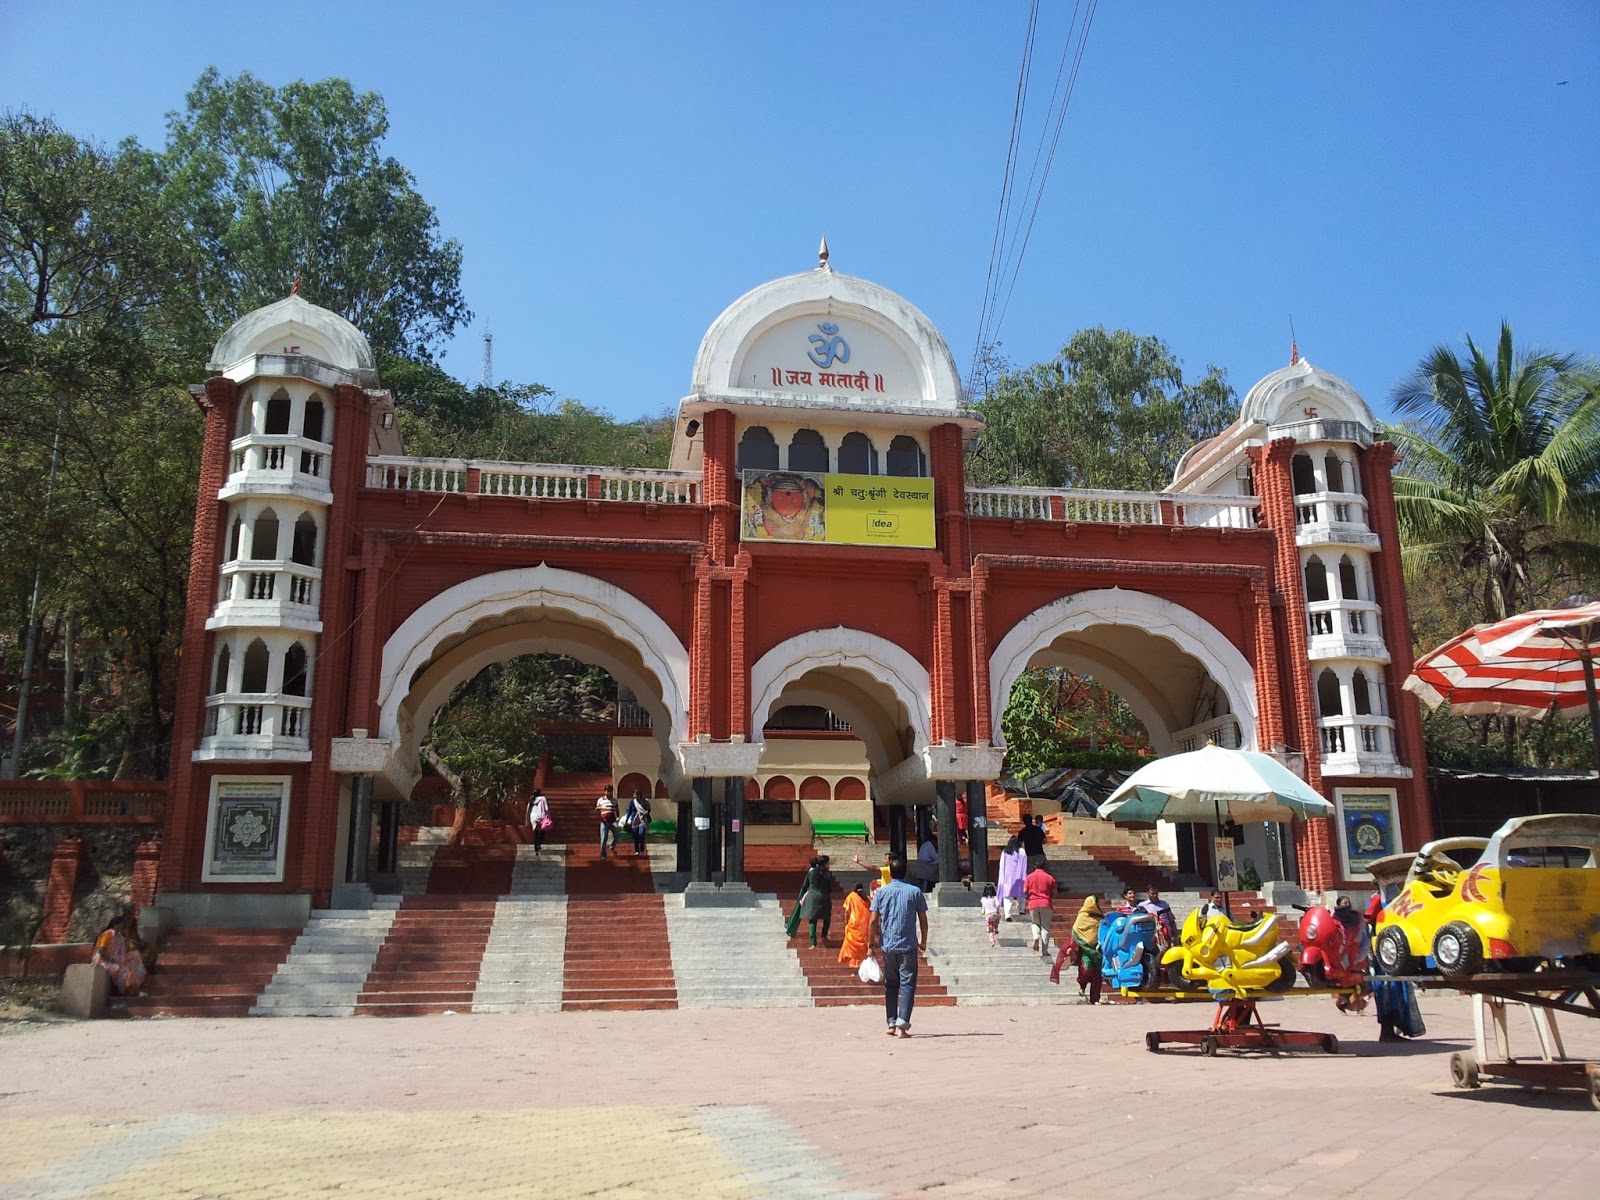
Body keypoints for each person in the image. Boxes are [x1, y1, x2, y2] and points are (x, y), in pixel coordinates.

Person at [868, 853, 929, 1038]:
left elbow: (872, 921)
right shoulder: (915, 892)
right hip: (908, 944)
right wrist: (923, 940)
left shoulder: (881, 892)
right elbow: (923, 919)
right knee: (908, 984)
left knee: (891, 984)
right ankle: (902, 1025)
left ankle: (891, 1022)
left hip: (888, 945)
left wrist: (870, 944)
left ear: (891, 873)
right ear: (906, 873)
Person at [90, 906, 146, 996]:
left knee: (135, 955)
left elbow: (127, 950)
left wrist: (126, 937)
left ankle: (137, 984)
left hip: (117, 958)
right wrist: (114, 960)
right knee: (122, 968)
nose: (123, 927)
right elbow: (101, 951)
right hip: (104, 960)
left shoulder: (119, 936)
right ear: (115, 925)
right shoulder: (108, 934)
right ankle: (128, 990)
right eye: (122, 925)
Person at [1070, 894, 1105, 1003]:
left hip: (1098, 949)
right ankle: (1082, 985)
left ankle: (1095, 999)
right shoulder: (1082, 916)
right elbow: (1075, 931)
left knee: (1097, 976)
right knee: (1086, 970)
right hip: (1085, 949)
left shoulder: (1100, 917)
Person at [1023, 860, 1058, 959]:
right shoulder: (1050, 878)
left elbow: (1025, 890)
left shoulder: (1029, 877)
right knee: (1045, 927)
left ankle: (1035, 937)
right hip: (1046, 903)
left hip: (1033, 903)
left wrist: (1030, 896)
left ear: (1035, 866)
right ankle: (1045, 950)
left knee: (1035, 923)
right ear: (1044, 867)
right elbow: (1055, 893)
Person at [799, 855, 835, 947]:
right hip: (824, 897)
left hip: (812, 897)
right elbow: (830, 888)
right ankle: (824, 935)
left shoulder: (811, 872)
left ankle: (813, 942)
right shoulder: (827, 874)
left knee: (812, 920)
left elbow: (805, 886)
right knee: (827, 918)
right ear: (825, 864)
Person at [838, 883, 872, 970]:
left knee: (853, 948)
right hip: (865, 924)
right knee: (863, 947)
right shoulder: (866, 897)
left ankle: (856, 967)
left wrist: (846, 922)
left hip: (854, 925)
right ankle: (863, 966)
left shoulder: (851, 897)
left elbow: (847, 911)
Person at [996, 836, 1027, 920]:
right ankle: (1021, 909)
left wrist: (1002, 876)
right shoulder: (1021, 851)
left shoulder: (1005, 852)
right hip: (1019, 876)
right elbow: (1024, 865)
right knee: (1021, 894)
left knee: (1007, 896)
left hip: (1007, 877)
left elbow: (1002, 865)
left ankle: (1007, 914)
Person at [623, 789, 652, 857]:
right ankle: (637, 850)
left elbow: (648, 809)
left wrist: (646, 812)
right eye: (634, 794)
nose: (635, 796)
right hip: (634, 821)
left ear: (640, 795)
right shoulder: (632, 802)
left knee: (641, 833)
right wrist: (627, 820)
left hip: (642, 820)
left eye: (637, 794)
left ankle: (641, 846)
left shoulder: (644, 801)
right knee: (635, 835)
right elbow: (629, 811)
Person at [595, 785, 619, 858]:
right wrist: (601, 808)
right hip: (604, 821)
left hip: (612, 820)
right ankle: (603, 855)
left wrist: (617, 816)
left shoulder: (614, 800)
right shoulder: (600, 800)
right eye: (607, 791)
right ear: (605, 791)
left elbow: (617, 809)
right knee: (603, 839)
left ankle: (612, 846)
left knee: (617, 835)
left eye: (610, 791)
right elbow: (596, 808)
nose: (608, 793)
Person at [527, 787, 551, 857]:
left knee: (536, 833)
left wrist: (528, 820)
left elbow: (528, 810)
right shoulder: (543, 799)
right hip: (541, 817)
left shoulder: (531, 799)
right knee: (543, 831)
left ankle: (535, 848)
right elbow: (546, 809)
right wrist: (548, 816)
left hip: (533, 818)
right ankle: (539, 845)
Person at [980, 883, 1002, 948]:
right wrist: (997, 910)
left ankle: (992, 939)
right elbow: (998, 905)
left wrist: (982, 912)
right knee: (995, 923)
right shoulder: (995, 898)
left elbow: (983, 909)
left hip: (988, 915)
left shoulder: (983, 899)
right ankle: (995, 929)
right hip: (995, 913)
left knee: (989, 930)